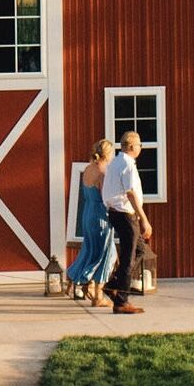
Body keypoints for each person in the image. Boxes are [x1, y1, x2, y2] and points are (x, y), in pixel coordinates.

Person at [101, 129, 149, 314]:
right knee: (129, 256)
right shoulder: (127, 164)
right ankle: (121, 301)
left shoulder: (114, 162)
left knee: (139, 250)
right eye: (139, 145)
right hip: (125, 214)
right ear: (131, 146)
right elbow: (130, 193)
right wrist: (144, 219)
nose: (140, 148)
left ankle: (113, 285)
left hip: (115, 212)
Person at [63, 140, 115, 308]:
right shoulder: (103, 171)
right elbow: (106, 197)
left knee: (89, 249)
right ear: (108, 154)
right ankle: (97, 295)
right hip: (100, 215)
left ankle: (75, 277)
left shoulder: (87, 169)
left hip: (87, 213)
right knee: (107, 254)